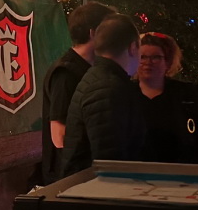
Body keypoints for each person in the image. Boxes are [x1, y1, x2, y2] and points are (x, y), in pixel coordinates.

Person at [40, 1, 115, 184]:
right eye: (110, 31)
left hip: (87, 172)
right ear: (93, 33)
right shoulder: (65, 73)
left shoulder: (91, 68)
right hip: (69, 176)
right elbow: (59, 137)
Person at [61, 14, 145, 177]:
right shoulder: (108, 88)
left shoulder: (100, 79)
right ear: (133, 47)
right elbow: (110, 162)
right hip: (93, 188)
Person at [135, 32, 198, 164]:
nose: (148, 63)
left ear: (167, 62)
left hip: (183, 173)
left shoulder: (186, 94)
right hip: (136, 174)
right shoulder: (125, 94)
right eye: (142, 57)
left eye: (155, 57)